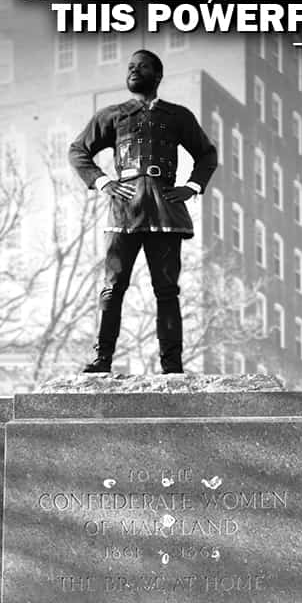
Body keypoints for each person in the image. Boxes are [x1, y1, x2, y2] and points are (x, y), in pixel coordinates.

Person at [68, 49, 218, 374]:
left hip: (166, 214)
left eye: (143, 66)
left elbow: (207, 155)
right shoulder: (113, 115)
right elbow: (78, 150)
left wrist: (191, 187)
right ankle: (102, 359)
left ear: (158, 75)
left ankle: (172, 367)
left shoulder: (178, 116)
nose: (135, 71)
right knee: (112, 286)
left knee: (166, 290)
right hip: (124, 212)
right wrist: (103, 182)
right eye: (131, 67)